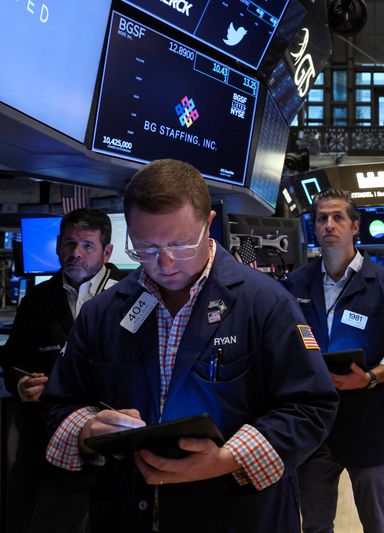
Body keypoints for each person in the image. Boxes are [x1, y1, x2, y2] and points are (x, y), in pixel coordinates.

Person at [41, 159, 338, 533]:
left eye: (180, 244)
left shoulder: (267, 303)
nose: (164, 263)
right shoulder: (102, 312)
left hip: (237, 515)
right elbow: (58, 406)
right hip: (127, 513)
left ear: (208, 223)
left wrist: (229, 458)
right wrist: (86, 430)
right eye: (144, 248)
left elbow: (311, 405)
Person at [283, 188, 384, 533]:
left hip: (368, 426)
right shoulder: (294, 284)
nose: (328, 225)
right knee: (315, 525)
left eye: (338, 217)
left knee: (378, 524)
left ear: (355, 226)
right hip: (313, 427)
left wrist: (371, 377)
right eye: (321, 218)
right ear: (313, 227)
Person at [1, 208, 126, 533]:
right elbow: (13, 358)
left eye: (87, 245)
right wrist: (20, 383)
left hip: (113, 434)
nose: (75, 253)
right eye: (69, 244)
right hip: (49, 437)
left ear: (107, 252)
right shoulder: (38, 298)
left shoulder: (131, 294)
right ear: (57, 246)